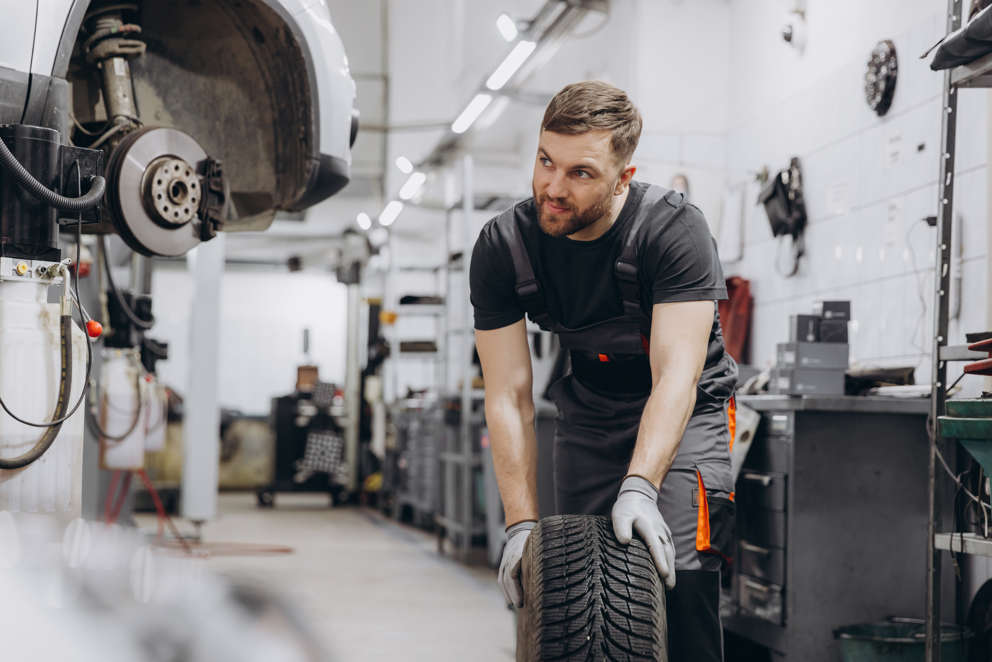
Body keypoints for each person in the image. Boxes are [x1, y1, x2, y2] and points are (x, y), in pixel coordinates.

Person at [470, 80, 738, 661]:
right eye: (545, 161)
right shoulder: (504, 245)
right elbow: (509, 396)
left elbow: (676, 378)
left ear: (623, 177)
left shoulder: (672, 230)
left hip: (686, 410)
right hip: (589, 410)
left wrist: (641, 487)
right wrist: (519, 525)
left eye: (580, 173)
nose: (552, 188)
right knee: (571, 583)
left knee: (679, 576)